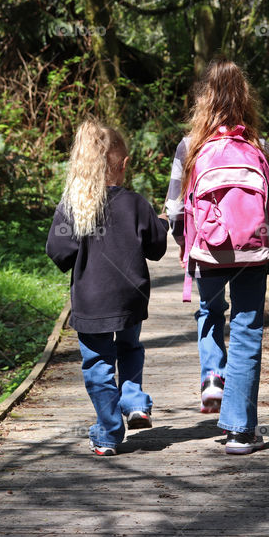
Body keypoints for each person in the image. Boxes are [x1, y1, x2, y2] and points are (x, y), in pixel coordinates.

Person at [163, 60, 269, 455]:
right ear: (246, 100)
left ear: (204, 100)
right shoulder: (260, 147)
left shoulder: (190, 147)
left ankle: (213, 375)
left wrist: (187, 244)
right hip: (253, 253)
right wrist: (261, 238)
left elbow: (175, 209)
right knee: (248, 330)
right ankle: (238, 431)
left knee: (210, 313)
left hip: (208, 251)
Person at [46, 118, 168, 456]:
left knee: (98, 363)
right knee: (129, 349)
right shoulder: (137, 203)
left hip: (92, 300)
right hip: (131, 297)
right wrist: (159, 223)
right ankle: (134, 402)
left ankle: (109, 433)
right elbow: (157, 249)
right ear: (124, 164)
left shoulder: (73, 206)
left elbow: (58, 252)